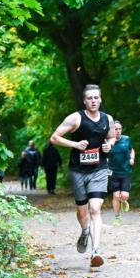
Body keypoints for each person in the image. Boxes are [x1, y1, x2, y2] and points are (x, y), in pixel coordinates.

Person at [50, 84, 117, 268]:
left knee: (95, 209)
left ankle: (95, 251)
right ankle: (85, 230)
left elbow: (112, 137)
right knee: (82, 211)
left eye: (96, 98)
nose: (93, 101)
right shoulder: (75, 118)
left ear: (101, 99)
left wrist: (109, 145)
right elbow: (54, 138)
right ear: (84, 100)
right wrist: (74, 144)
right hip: (78, 170)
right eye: (90, 98)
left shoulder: (107, 119)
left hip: (100, 169)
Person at [107, 120, 135, 225]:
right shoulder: (108, 141)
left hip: (126, 172)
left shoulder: (127, 139)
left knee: (124, 195)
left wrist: (132, 158)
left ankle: (124, 201)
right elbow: (104, 155)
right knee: (116, 196)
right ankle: (117, 217)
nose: (118, 131)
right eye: (115, 129)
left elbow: (132, 150)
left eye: (119, 129)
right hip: (113, 173)